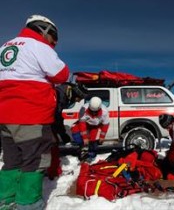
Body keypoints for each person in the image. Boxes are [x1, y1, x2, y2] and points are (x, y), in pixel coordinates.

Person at [0, 15, 69, 209]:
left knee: (11, 160)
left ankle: (6, 200)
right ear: (45, 30)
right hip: (30, 116)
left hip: (5, 116)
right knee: (35, 160)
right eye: (54, 37)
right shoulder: (38, 46)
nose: (54, 43)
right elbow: (61, 74)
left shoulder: (5, 47)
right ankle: (28, 204)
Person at [47, 83, 86, 180]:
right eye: (79, 98)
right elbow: (56, 116)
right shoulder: (60, 94)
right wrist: (62, 133)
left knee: (52, 146)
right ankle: (52, 173)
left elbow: (58, 116)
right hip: (42, 122)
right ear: (75, 94)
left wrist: (62, 132)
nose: (78, 101)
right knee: (52, 146)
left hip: (46, 121)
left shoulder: (63, 93)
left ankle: (52, 171)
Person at [71, 96, 110, 162]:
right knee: (76, 133)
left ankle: (91, 157)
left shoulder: (104, 112)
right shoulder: (83, 109)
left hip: (96, 126)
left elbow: (105, 125)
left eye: (95, 112)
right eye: (92, 111)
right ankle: (82, 149)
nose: (93, 113)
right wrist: (85, 137)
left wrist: (102, 137)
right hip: (85, 124)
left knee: (93, 143)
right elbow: (82, 124)